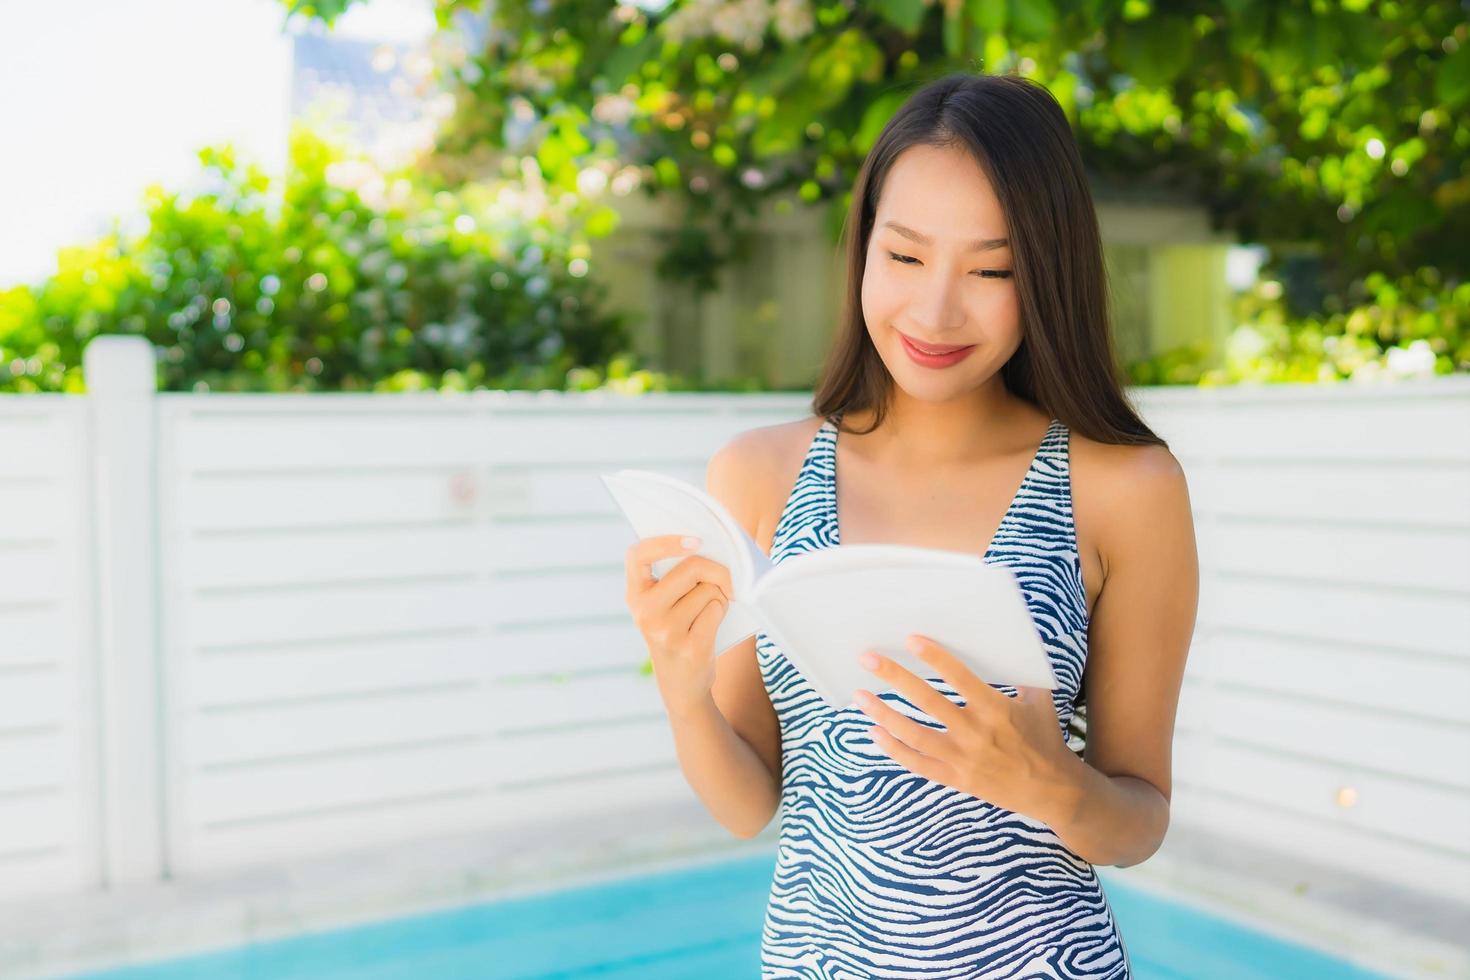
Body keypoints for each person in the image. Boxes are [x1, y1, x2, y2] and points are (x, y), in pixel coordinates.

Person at [622, 71, 1199, 978]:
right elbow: (749, 805)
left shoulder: (1124, 488)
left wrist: (1047, 782)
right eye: (904, 257)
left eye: (992, 269)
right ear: (861, 252)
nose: (935, 311)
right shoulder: (760, 474)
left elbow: (1138, 823)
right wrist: (681, 684)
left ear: (1046, 274)